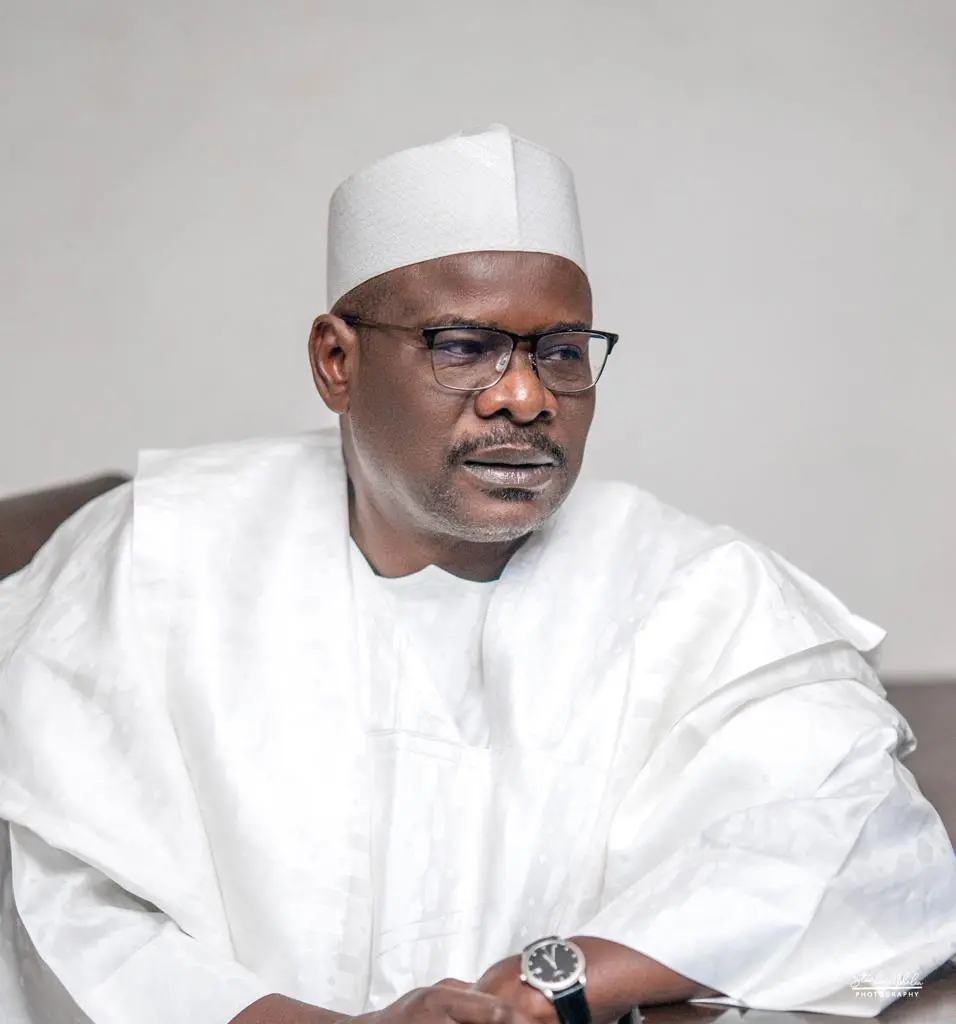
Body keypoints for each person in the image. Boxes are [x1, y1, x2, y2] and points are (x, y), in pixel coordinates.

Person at [0, 125, 953, 1024]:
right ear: (336, 362)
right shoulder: (161, 551)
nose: (526, 397)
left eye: (563, 353)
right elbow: (61, 899)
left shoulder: (697, 588)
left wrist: (546, 987)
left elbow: (862, 848)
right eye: (464, 347)